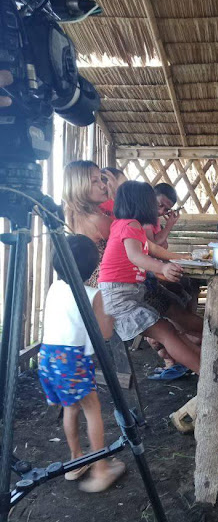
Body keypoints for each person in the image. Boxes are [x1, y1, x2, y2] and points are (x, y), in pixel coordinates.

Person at [38, 235, 126, 493]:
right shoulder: (93, 294)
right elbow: (104, 334)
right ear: (93, 266)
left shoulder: (55, 288)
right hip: (72, 360)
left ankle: (76, 462)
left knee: (71, 407)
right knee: (92, 408)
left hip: (49, 357)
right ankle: (100, 470)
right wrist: (110, 315)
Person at [98, 181, 202, 375]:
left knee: (170, 331)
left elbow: (154, 249)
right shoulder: (130, 225)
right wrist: (163, 267)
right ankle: (205, 372)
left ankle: (205, 368)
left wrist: (185, 257)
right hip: (118, 296)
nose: (157, 209)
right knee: (167, 332)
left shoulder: (129, 225)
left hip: (128, 292)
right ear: (141, 203)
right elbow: (136, 256)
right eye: (152, 202)